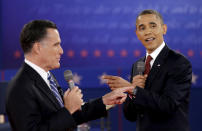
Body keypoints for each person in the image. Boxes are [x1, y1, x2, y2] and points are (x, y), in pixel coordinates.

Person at [5, 20, 133, 131]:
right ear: (38, 48)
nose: (61, 51)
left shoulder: (47, 77)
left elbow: (70, 117)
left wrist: (105, 100)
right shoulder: (21, 87)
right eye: (56, 45)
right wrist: (68, 110)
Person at [103, 9, 192, 131]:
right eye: (142, 28)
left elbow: (168, 105)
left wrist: (133, 90)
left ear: (164, 29)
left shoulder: (179, 62)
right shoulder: (138, 65)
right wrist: (131, 92)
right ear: (137, 34)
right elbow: (130, 115)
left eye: (153, 26)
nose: (148, 32)